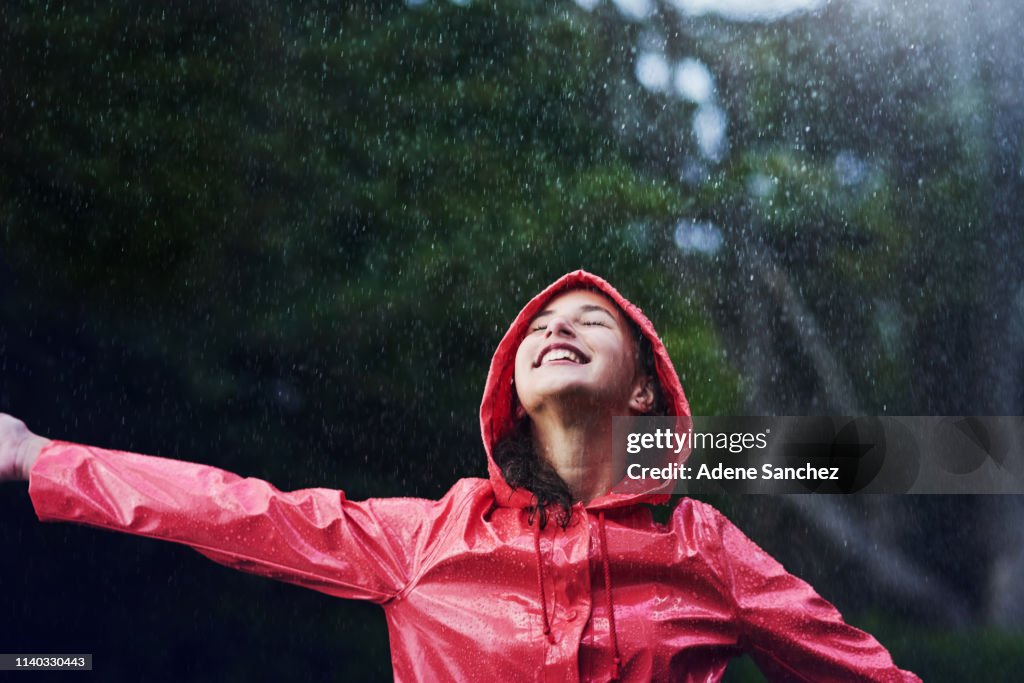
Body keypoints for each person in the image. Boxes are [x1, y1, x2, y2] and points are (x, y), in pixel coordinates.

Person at [1, 270, 919, 682]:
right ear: (512, 392)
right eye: (537, 325)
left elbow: (862, 671)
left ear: (643, 388)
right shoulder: (424, 537)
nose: (553, 326)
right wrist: (39, 455)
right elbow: (234, 510)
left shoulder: (702, 546)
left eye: (588, 320)